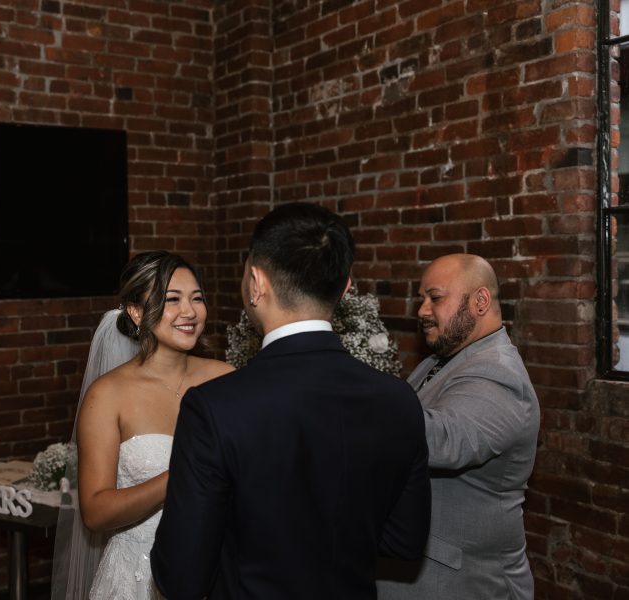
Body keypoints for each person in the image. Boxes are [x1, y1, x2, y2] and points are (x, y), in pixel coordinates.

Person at [151, 202, 431, 599]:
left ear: (256, 283)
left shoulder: (215, 406)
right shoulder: (398, 399)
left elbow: (180, 576)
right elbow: (406, 540)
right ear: (347, 286)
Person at [51, 250, 233, 600]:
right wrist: (181, 474)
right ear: (136, 312)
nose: (190, 312)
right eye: (172, 299)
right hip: (137, 576)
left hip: (216, 571)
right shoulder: (107, 395)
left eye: (197, 299)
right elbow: (96, 511)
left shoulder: (226, 379)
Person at [376, 253, 540, 600]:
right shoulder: (439, 361)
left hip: (465, 582)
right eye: (422, 299)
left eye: (434, 298)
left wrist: (348, 395)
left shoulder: (499, 374)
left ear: (480, 301)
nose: (421, 310)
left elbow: (444, 440)